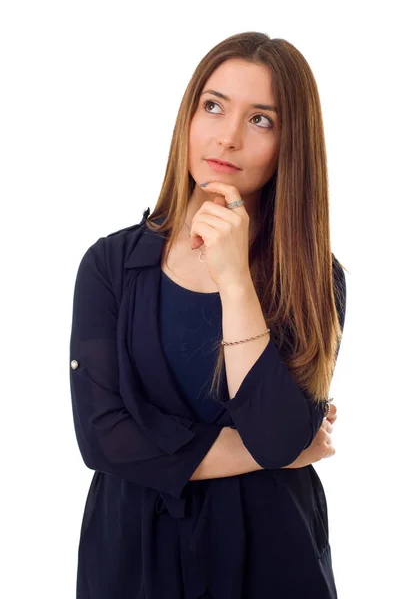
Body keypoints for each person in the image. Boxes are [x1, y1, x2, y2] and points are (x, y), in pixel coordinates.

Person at [69, 31, 347, 599]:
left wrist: (235, 279)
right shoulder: (109, 266)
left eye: (262, 120)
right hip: (132, 557)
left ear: (291, 144)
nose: (228, 136)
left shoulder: (316, 278)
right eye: (214, 106)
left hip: (273, 558)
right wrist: (278, 450)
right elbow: (103, 440)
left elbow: (275, 436)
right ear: (189, 116)